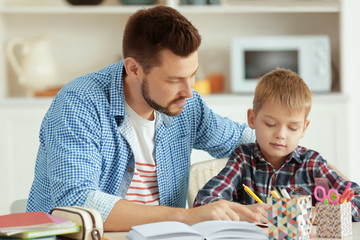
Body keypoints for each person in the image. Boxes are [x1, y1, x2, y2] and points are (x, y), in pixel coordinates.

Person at [26, 5, 268, 231]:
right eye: (173, 80)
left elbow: (250, 140)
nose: (188, 90)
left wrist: (300, 161)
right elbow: (76, 203)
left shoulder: (187, 103)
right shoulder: (79, 103)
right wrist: (188, 216)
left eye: (192, 74)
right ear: (134, 69)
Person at [193, 68, 360, 221]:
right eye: (270, 124)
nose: (280, 134)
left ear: (303, 129)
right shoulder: (243, 160)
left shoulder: (312, 164)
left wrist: (323, 214)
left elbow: (356, 200)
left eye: (293, 128)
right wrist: (243, 213)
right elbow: (204, 201)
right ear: (252, 119)